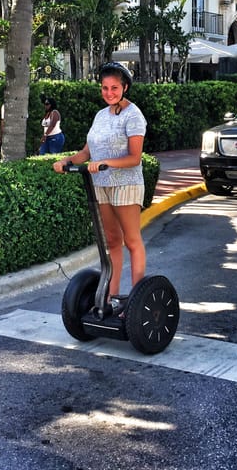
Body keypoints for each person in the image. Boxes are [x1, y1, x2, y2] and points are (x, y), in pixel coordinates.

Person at [52, 62, 146, 313]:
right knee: (112, 241)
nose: (109, 92)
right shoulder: (100, 115)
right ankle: (111, 297)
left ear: (125, 87)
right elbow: (86, 152)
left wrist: (106, 162)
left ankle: (137, 302)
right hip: (101, 184)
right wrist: (67, 161)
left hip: (125, 184)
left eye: (114, 87)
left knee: (132, 241)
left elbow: (135, 158)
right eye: (105, 88)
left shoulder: (134, 115)